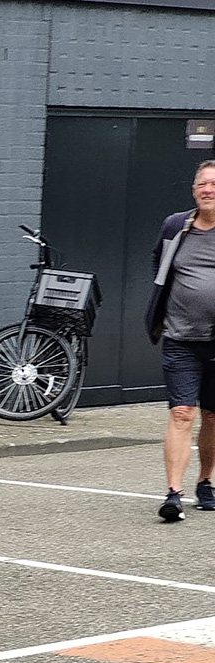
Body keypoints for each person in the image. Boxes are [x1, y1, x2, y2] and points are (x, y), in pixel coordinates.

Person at [146, 159, 215, 521]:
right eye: (202, 184)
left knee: (212, 417)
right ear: (194, 190)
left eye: (214, 184)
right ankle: (173, 493)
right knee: (182, 412)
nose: (208, 189)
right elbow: (158, 264)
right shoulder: (176, 226)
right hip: (180, 337)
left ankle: (206, 481)